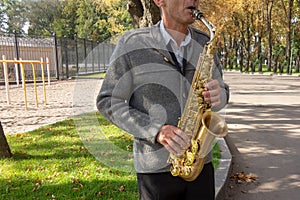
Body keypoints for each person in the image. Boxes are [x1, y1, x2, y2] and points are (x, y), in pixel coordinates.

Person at [96, 0, 229, 199]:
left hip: (201, 166)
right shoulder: (132, 44)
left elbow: (223, 90)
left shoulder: (204, 42)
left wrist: (220, 94)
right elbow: (107, 101)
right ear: (160, 1)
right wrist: (155, 130)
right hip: (155, 172)